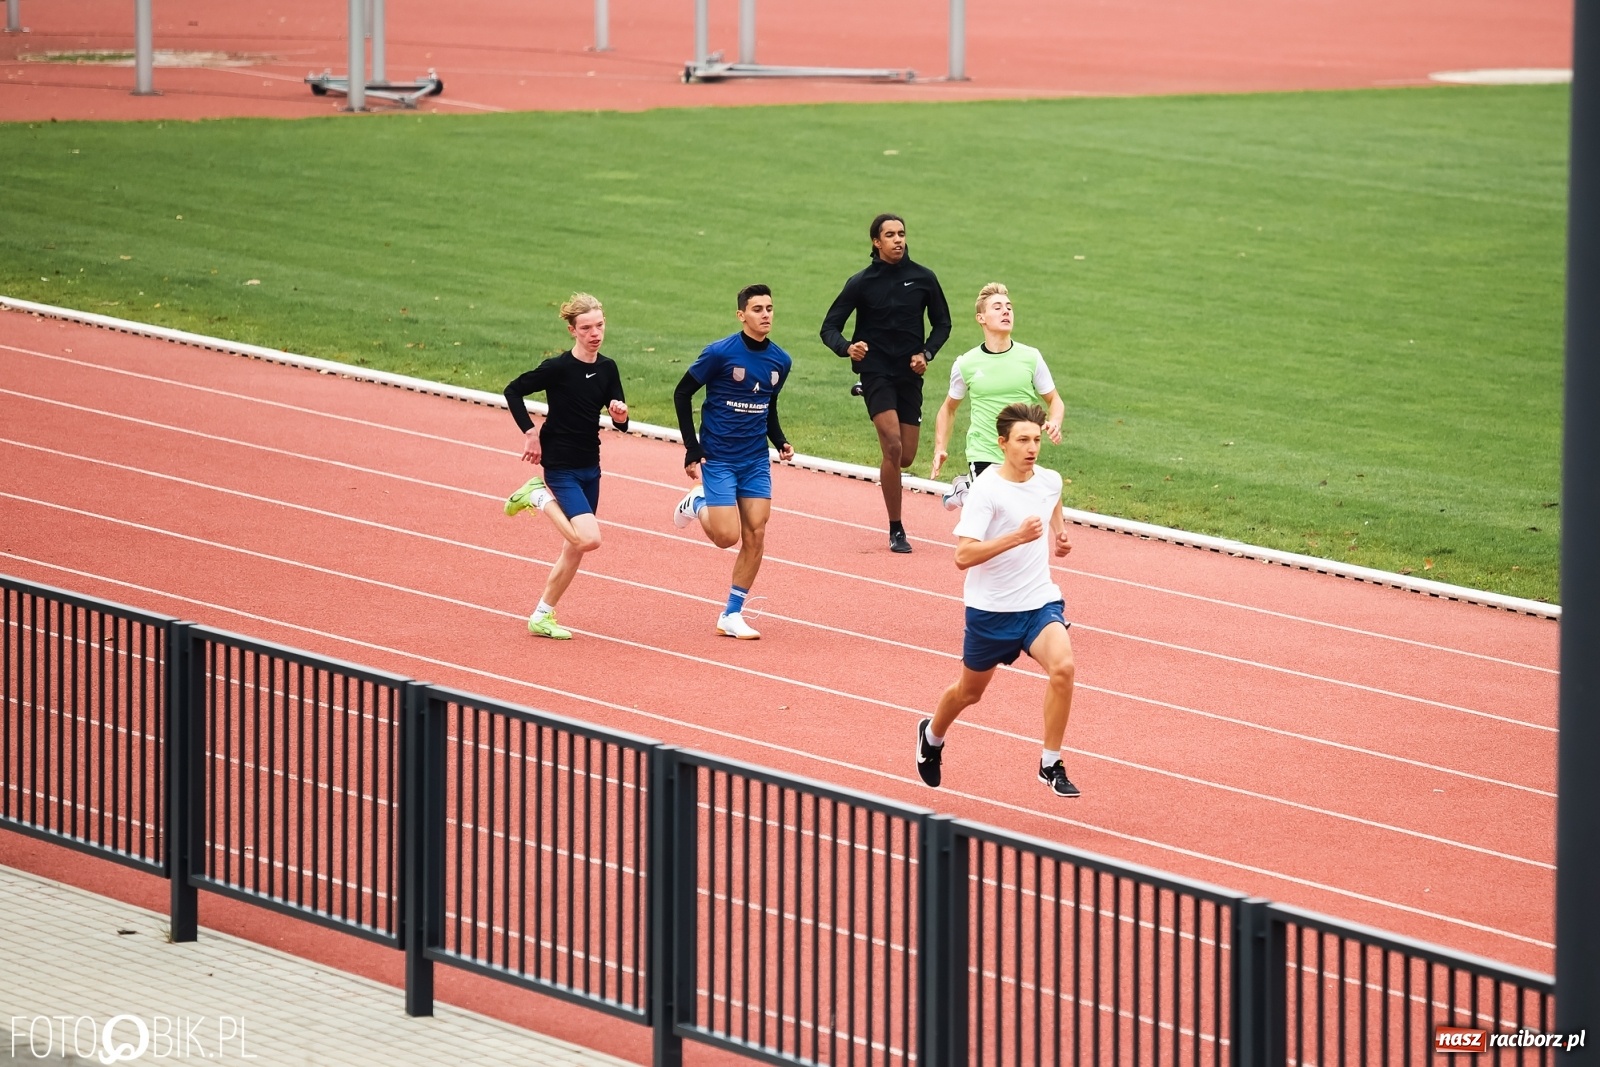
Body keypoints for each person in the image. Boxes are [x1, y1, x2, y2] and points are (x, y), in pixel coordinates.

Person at [915, 402, 1081, 797]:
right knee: (969, 693)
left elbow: (1051, 498)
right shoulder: (987, 490)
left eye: (1037, 440)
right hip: (991, 611)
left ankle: (1050, 762)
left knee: (1064, 668)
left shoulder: (1049, 479)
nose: (1032, 448)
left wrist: (1058, 534)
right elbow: (962, 557)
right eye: (1023, 440)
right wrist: (1017, 537)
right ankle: (932, 735)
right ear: (1002, 442)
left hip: (1039, 601)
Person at [820, 213, 952, 553]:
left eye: (902, 233)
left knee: (906, 456)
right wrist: (848, 347)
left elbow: (942, 324)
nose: (898, 240)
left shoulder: (923, 278)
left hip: (909, 375)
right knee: (891, 446)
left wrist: (927, 353)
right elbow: (829, 327)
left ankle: (885, 425)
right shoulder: (861, 282)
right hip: (875, 371)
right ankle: (896, 529)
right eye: (890, 235)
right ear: (876, 242)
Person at [502, 293, 629, 640]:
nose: (595, 333)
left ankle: (541, 615)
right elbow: (513, 390)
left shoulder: (608, 367)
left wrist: (620, 415)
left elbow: (621, 420)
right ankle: (538, 496)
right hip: (560, 466)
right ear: (573, 330)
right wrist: (530, 433)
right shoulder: (558, 368)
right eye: (586, 327)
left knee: (574, 548)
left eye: (600, 325)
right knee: (590, 539)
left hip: (591, 465)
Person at [671, 284, 794, 640]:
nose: (766, 314)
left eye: (770, 308)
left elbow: (768, 407)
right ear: (741, 315)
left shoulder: (781, 361)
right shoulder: (719, 353)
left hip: (755, 459)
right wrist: (692, 448)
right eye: (757, 309)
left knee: (756, 532)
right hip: (719, 457)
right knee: (727, 536)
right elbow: (682, 394)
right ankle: (697, 501)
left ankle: (732, 613)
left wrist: (780, 440)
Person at [930, 283, 1065, 509]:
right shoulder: (966, 364)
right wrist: (940, 448)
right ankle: (970, 491)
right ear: (981, 318)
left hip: (1020, 449)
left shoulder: (1031, 357)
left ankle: (965, 491)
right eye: (997, 307)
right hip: (983, 450)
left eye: (1009, 307)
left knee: (1016, 512)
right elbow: (948, 409)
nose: (1006, 311)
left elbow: (1055, 400)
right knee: (996, 509)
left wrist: (1055, 423)